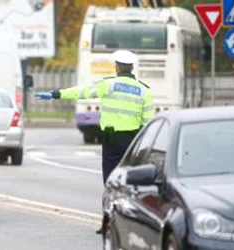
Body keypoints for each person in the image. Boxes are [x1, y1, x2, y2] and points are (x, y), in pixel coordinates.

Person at [34, 50, 154, 234]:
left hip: (112, 142)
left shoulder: (109, 85)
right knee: (131, 184)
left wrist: (57, 94)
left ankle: (108, 223)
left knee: (110, 183)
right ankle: (132, 224)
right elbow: (147, 124)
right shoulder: (144, 91)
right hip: (132, 143)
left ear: (117, 67)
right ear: (131, 68)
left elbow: (82, 92)